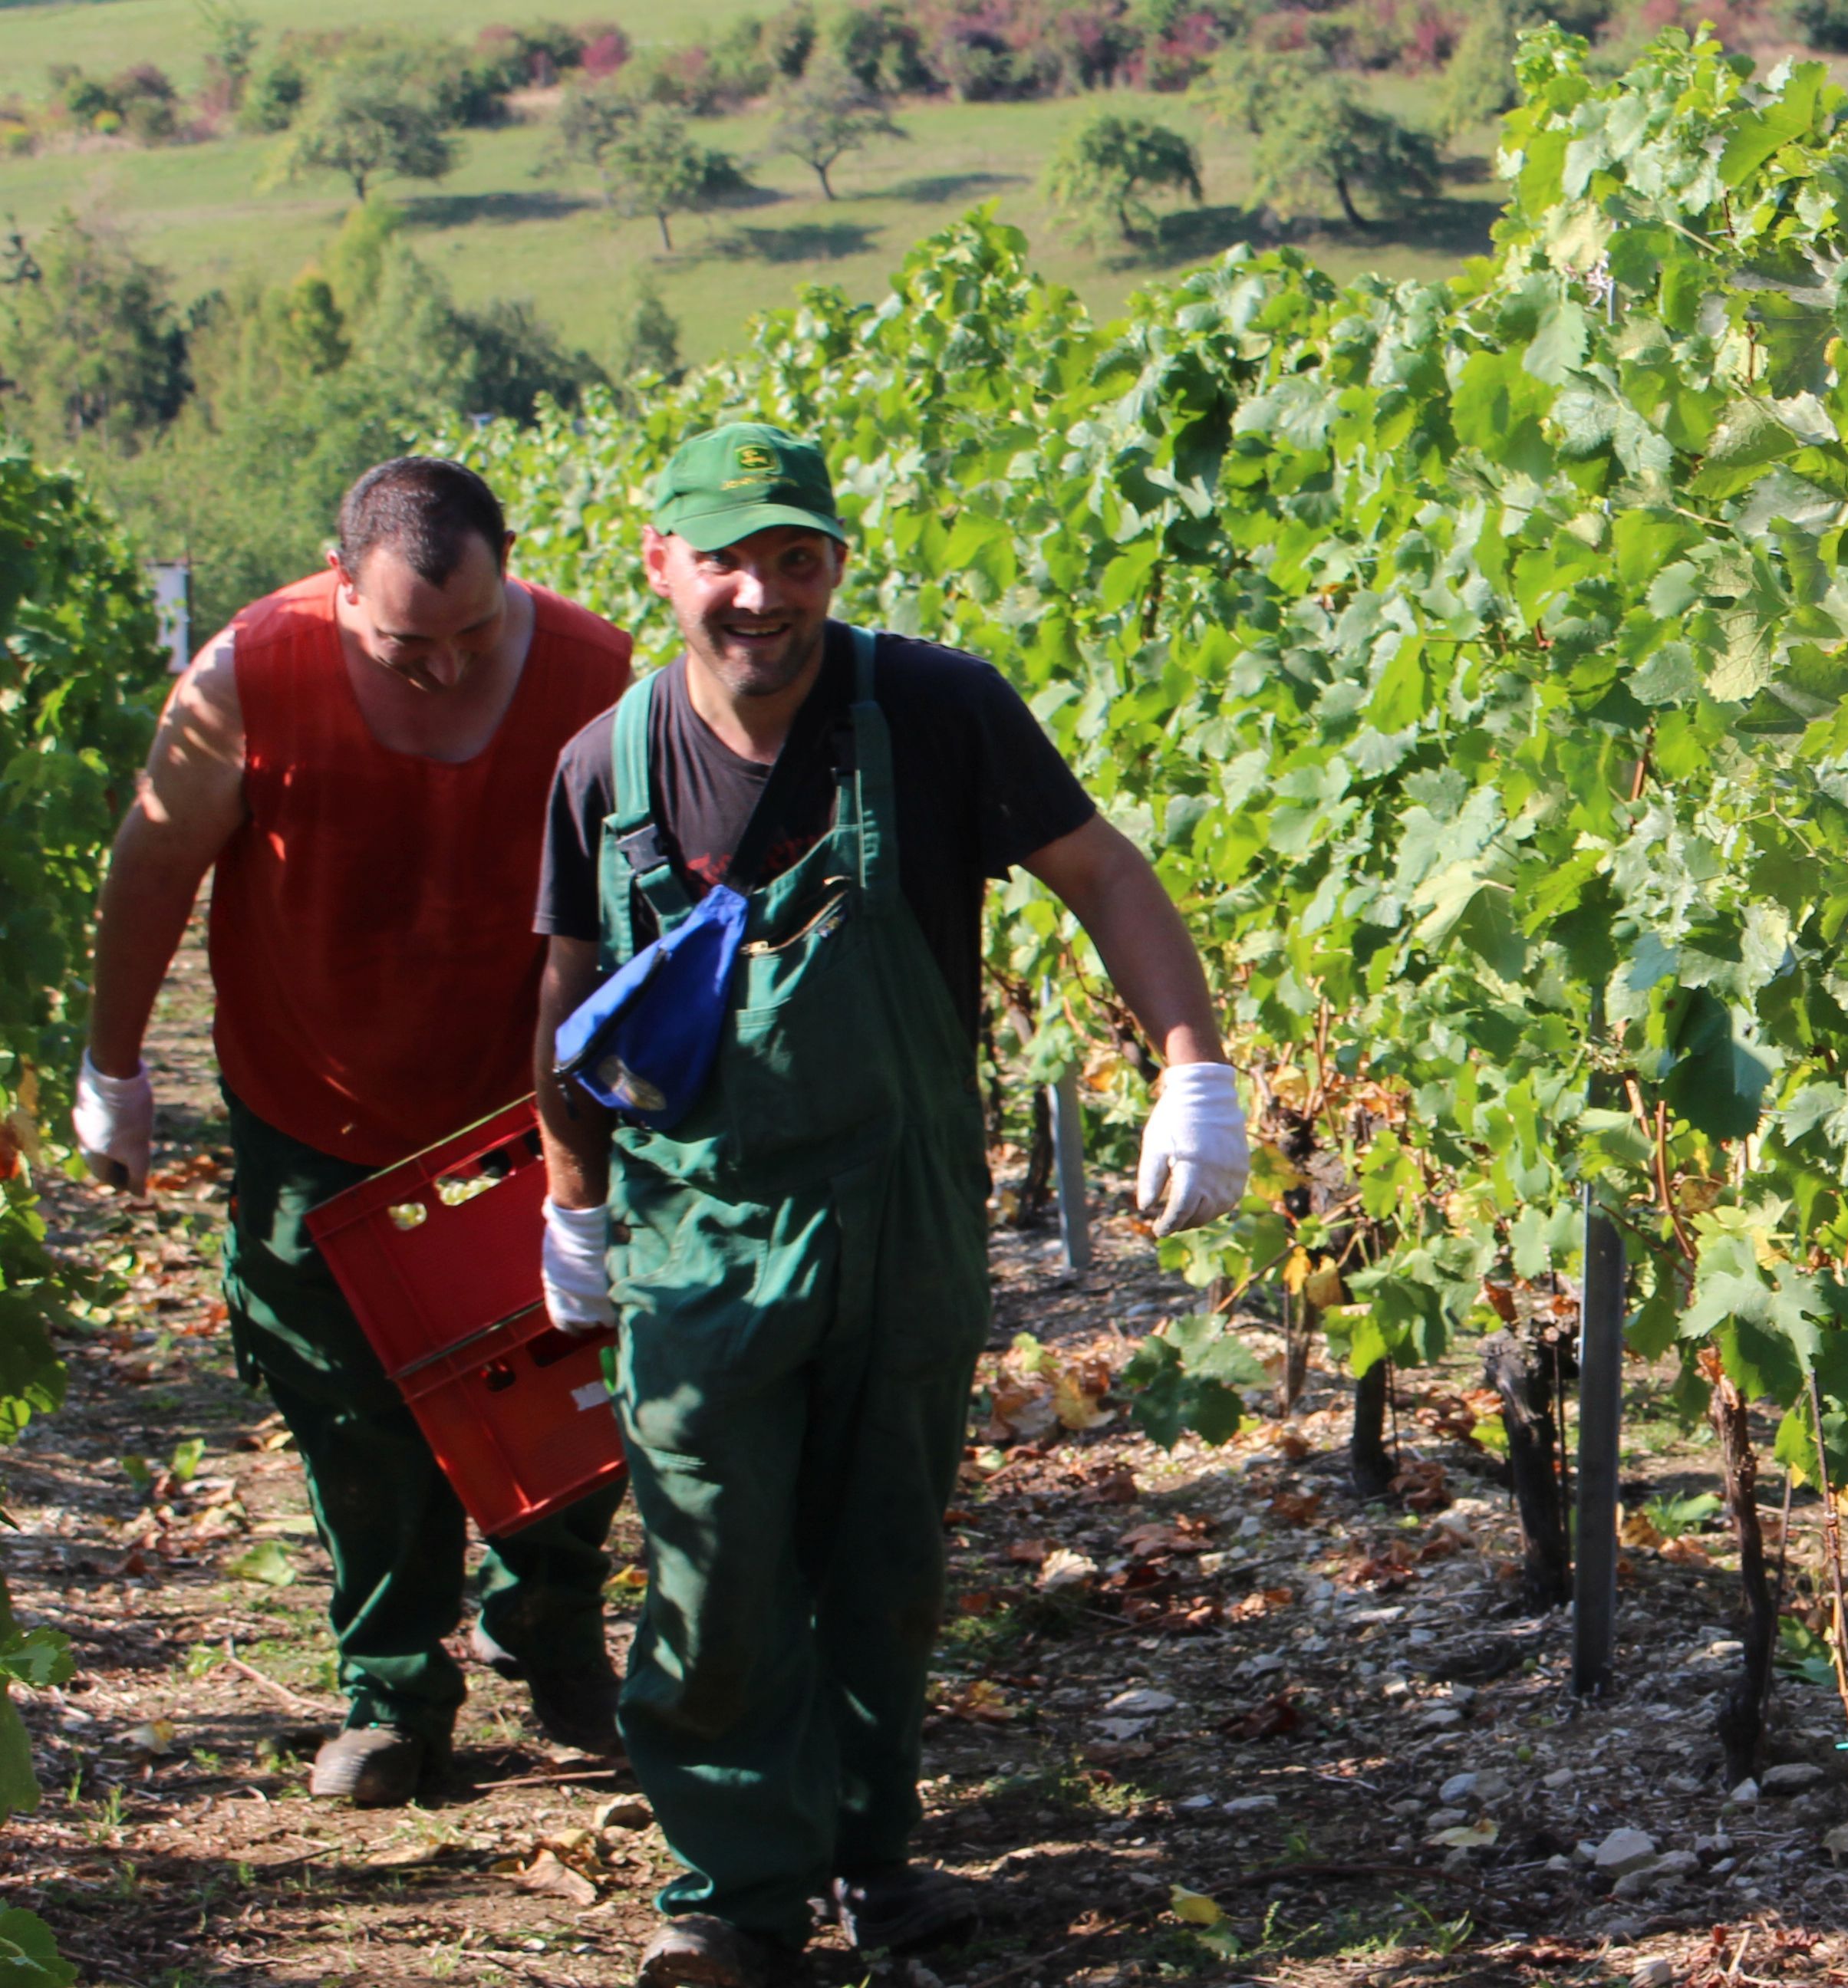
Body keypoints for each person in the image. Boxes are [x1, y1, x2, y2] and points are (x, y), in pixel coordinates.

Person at [530, 424, 1250, 1988]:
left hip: (903, 1220)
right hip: (700, 1235)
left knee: (881, 1558)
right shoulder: (608, 765)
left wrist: (1193, 1066)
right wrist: (571, 1203)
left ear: (835, 567)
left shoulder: (930, 710)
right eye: (725, 558)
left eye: (797, 560)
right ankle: (732, 1897)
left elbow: (1106, 876)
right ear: (661, 564)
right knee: (715, 1565)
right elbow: (570, 998)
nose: (761, 595)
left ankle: (868, 1853)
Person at [71, 458, 639, 1805]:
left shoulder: (590, 671)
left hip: (527, 1105)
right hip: (316, 1106)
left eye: (473, 635)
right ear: (339, 586)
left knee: (564, 1380)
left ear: (513, 571)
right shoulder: (246, 679)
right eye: (405, 645)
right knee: (353, 1413)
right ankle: (393, 1691)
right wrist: (114, 1067)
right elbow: (153, 864)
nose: (443, 670)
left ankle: (551, 1633)